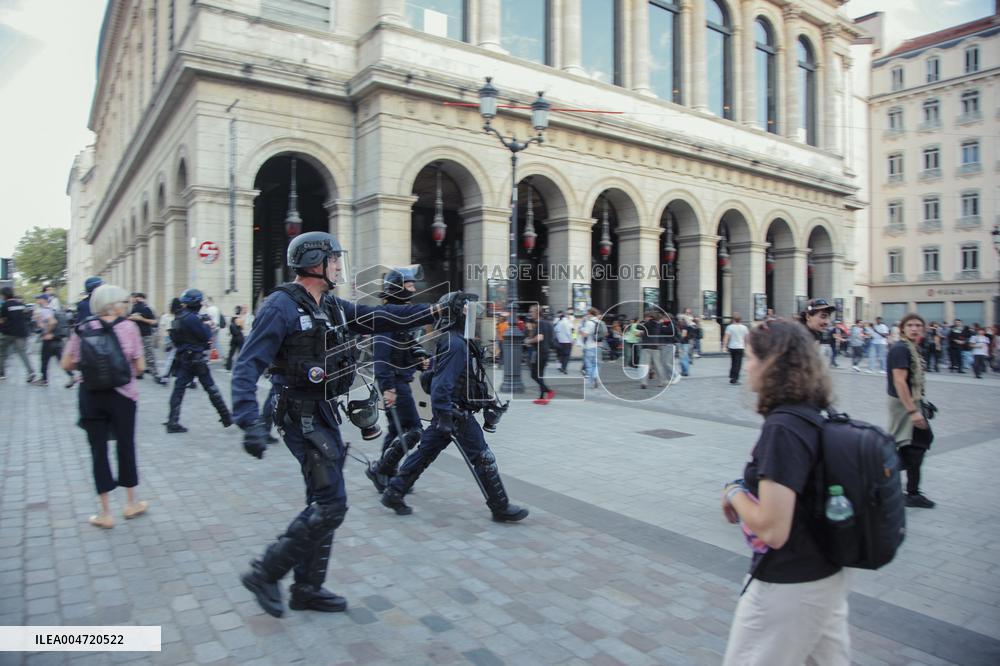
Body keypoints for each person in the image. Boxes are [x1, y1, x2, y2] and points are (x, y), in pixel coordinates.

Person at [231, 232, 446, 618]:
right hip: (300, 414)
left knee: (323, 502)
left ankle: (307, 588)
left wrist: (433, 311)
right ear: (315, 262)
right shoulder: (280, 307)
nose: (337, 265)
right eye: (332, 259)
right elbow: (247, 365)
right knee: (332, 504)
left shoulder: (331, 305)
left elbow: (380, 317)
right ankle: (266, 572)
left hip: (324, 411)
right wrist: (248, 419)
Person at [720, 320, 847, 665]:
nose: (746, 366)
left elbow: (773, 529)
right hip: (824, 574)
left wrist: (733, 493)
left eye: (750, 358)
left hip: (788, 582)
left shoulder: (784, 427)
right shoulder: (814, 413)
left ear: (771, 363)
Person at [379, 293, 529, 523]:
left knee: (424, 453)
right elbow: (441, 385)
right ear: (457, 312)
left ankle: (394, 491)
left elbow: (462, 379)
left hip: (452, 412)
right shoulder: (456, 343)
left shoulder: (458, 340)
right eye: (468, 309)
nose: (473, 313)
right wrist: (446, 414)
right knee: (483, 457)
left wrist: (487, 402)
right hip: (455, 413)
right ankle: (500, 507)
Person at [60, 284, 148, 529]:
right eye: (123, 301)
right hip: (123, 395)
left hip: (91, 394)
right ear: (115, 304)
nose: (126, 305)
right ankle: (131, 503)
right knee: (126, 445)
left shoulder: (82, 328)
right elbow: (140, 367)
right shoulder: (130, 327)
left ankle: (105, 512)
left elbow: (66, 364)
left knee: (98, 451)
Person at [365, 267, 430, 492]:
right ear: (398, 288)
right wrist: (388, 387)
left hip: (401, 379)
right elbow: (381, 356)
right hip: (394, 382)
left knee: (395, 430)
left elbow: (406, 345)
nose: (413, 289)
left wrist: (419, 357)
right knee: (413, 428)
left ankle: (386, 472)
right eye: (409, 285)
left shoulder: (400, 313)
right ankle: (381, 470)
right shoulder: (386, 316)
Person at [165, 288, 233, 433]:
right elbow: (205, 336)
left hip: (184, 357)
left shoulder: (180, 317)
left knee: (178, 390)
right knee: (211, 387)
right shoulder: (192, 318)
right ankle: (226, 417)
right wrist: (207, 325)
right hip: (196, 358)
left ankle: (172, 421)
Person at [887, 312, 935, 508]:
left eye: (918, 325)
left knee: (917, 445)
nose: (914, 328)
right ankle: (881, 475)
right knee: (913, 446)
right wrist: (913, 411)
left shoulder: (913, 348)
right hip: (903, 405)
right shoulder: (901, 349)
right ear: (903, 329)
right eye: (910, 325)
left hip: (911, 402)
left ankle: (911, 491)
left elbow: (912, 381)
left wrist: (923, 404)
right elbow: (899, 382)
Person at [129, 293, 167, 385]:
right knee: (134, 355)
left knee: (149, 355)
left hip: (145, 335)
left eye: (134, 298)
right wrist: (131, 318)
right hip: (133, 336)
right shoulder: (131, 308)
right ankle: (138, 373)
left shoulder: (146, 308)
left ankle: (155, 374)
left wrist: (141, 319)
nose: (133, 300)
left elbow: (154, 322)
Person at [0, 287, 37, 382]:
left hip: (8, 333)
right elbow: (26, 316)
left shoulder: (5, 306)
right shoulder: (21, 305)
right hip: (21, 332)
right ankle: (31, 372)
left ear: (4, 295)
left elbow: (2, 320)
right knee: (23, 353)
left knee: (2, 353)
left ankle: (2, 374)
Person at [525, 304, 555, 404]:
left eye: (531, 312)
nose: (530, 314)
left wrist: (529, 341)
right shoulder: (547, 323)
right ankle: (542, 397)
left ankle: (549, 391)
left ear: (537, 312)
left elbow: (539, 338)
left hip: (539, 352)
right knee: (539, 375)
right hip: (545, 352)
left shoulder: (540, 323)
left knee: (534, 375)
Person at [31, 294, 61, 387]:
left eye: (38, 299)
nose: (37, 301)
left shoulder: (45, 310)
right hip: (53, 338)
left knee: (45, 359)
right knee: (58, 358)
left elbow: (53, 322)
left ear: (43, 300)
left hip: (48, 338)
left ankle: (44, 380)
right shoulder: (49, 309)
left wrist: (47, 332)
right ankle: (71, 376)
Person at [637, 311, 667, 389]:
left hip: (646, 347)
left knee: (644, 365)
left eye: (646, 317)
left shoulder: (648, 323)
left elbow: (638, 327)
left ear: (650, 317)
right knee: (658, 365)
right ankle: (662, 381)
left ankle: (644, 383)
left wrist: (642, 321)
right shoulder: (659, 325)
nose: (645, 318)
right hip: (655, 347)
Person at [722, 314, 749, 385]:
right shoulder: (744, 328)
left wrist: (724, 346)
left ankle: (732, 375)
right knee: (738, 363)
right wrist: (747, 347)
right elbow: (746, 339)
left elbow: (726, 337)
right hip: (740, 347)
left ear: (733, 319)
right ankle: (735, 378)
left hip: (732, 347)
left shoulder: (729, 327)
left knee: (733, 362)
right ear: (740, 320)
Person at [577, 308, 601, 388]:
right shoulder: (599, 322)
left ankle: (592, 381)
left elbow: (585, 334)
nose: (587, 315)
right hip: (598, 346)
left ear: (590, 313)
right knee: (596, 365)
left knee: (589, 365)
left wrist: (580, 330)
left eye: (588, 313)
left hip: (590, 346)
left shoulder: (589, 323)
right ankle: (595, 376)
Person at [225, 305, 247, 371]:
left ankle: (228, 367)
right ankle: (241, 367)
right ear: (240, 311)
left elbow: (230, 328)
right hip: (240, 337)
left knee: (231, 353)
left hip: (234, 338)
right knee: (241, 353)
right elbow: (243, 328)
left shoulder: (232, 318)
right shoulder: (241, 319)